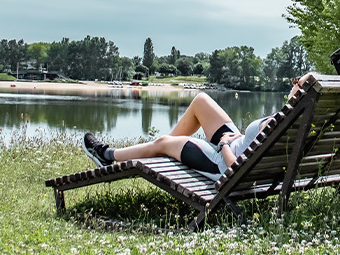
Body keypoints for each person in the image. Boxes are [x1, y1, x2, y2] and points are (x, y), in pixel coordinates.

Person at [82, 74, 315, 178]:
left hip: (223, 163)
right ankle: (161, 153)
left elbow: (235, 169)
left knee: (164, 142)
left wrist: (224, 144)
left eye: (297, 83)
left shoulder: (283, 123)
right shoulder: (298, 119)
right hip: (238, 144)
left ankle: (108, 155)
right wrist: (237, 139)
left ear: (300, 92)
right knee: (201, 101)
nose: (292, 85)